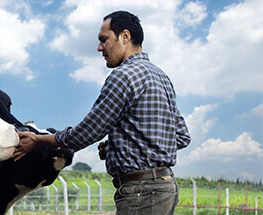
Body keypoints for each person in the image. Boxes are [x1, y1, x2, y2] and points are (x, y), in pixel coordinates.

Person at [11, 10, 191, 214]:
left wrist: (38, 140)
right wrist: (121, 147)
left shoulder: (124, 76)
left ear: (124, 36)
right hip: (165, 188)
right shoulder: (162, 77)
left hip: (141, 192)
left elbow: (85, 134)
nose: (99, 48)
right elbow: (182, 136)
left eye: (103, 40)